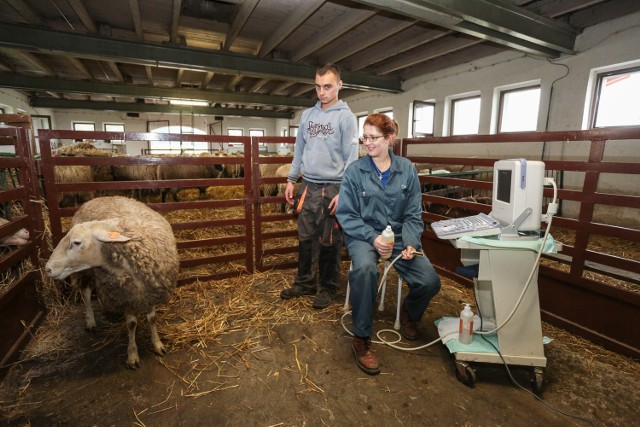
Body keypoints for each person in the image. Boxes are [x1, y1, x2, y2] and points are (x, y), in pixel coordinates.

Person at [336, 114, 441, 375]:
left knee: (429, 280)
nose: (367, 143)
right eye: (365, 137)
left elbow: (414, 214)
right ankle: (361, 338)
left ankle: (409, 312)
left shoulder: (406, 169)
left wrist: (411, 243)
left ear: (389, 138)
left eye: (373, 138)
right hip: (365, 236)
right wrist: (372, 238)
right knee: (364, 271)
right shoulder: (354, 171)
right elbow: (347, 214)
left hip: (399, 237)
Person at [280, 63, 359, 309]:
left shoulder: (346, 117)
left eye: (327, 86)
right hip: (308, 186)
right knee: (305, 237)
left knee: (330, 240)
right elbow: (299, 150)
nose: (322, 92)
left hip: (333, 187)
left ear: (339, 85)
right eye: (318, 86)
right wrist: (292, 179)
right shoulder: (308, 115)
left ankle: (327, 288)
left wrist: (345, 192)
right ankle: (305, 282)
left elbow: (352, 156)